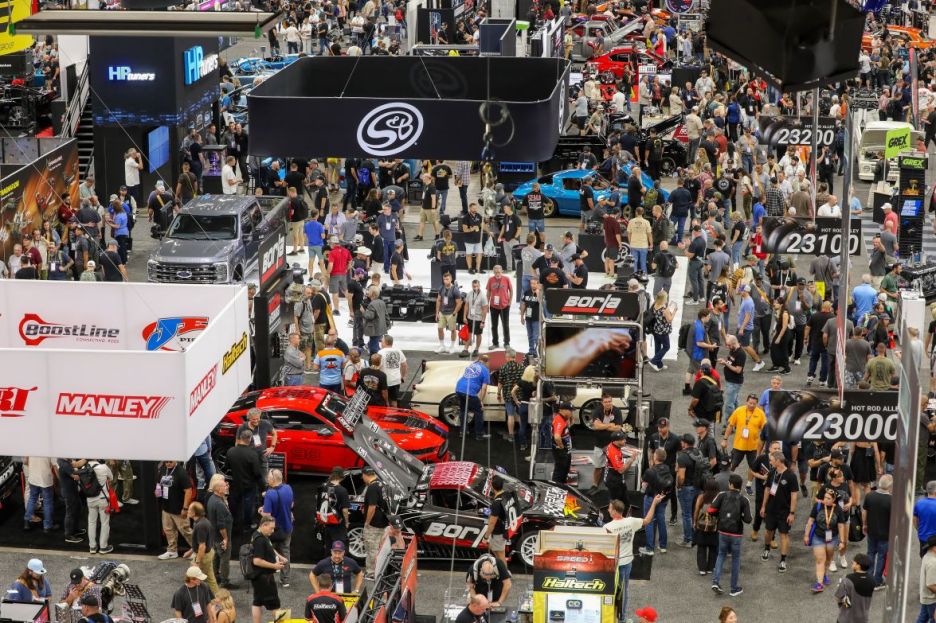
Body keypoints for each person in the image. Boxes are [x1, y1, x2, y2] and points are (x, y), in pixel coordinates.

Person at [604, 496, 664, 622]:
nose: (608, 511)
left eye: (609, 509)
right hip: (627, 563)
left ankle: (613, 618)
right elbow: (647, 520)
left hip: (614, 566)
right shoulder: (631, 521)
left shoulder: (607, 527)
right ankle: (622, 618)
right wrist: (654, 503)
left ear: (615, 511)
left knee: (611, 592)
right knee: (624, 592)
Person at [709, 474, 753, 597]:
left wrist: (720, 514)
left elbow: (711, 511)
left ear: (731, 485)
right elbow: (749, 519)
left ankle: (716, 581)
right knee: (735, 559)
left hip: (722, 531)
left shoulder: (722, 495)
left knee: (721, 555)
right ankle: (734, 588)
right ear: (740, 486)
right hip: (736, 534)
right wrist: (741, 516)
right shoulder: (744, 500)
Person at [804, 487, 849, 593]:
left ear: (834, 499)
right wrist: (806, 535)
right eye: (825, 497)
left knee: (828, 559)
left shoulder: (838, 509)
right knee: (820, 560)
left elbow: (841, 526)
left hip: (832, 538)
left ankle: (824, 574)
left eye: (829, 498)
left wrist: (842, 541)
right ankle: (819, 584)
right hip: (818, 537)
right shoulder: (818, 506)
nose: (826, 500)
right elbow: (810, 521)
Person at [761, 452, 799, 573]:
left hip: (784, 512)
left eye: (772, 460)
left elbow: (794, 496)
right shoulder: (772, 473)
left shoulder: (791, 476)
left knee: (784, 535)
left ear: (778, 461)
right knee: (768, 532)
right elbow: (767, 489)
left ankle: (783, 560)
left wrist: (792, 513)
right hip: (771, 510)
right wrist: (763, 506)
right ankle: (766, 548)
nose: (770, 462)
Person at [260, 469, 294, 589]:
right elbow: (291, 505)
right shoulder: (288, 488)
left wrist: (261, 511)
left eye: (268, 477)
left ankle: (268, 578)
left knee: (268, 552)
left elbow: (267, 515)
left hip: (273, 531)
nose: (267, 479)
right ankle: (285, 580)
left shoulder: (270, 494)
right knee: (285, 552)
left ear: (273, 480)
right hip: (287, 527)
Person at [250, 517, 286, 623]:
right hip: (264, 578)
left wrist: (280, 556)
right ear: (264, 525)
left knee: (257, 601)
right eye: (271, 528)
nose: (273, 531)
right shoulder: (260, 540)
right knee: (275, 604)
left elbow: (269, 547)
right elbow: (257, 561)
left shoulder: (259, 535)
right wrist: (274, 566)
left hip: (258, 576)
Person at [156, 460, 194, 560]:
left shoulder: (181, 472)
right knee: (168, 529)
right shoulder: (163, 469)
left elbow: (188, 491)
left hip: (178, 508)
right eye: (166, 462)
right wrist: (157, 490)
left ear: (175, 460)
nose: (168, 463)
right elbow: (158, 482)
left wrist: (185, 508)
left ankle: (198, 549)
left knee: (186, 530)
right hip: (166, 506)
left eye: (170, 462)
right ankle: (172, 551)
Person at [639, 448, 673, 556]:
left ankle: (649, 548)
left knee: (649, 521)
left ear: (655, 457)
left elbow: (644, 484)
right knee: (661, 520)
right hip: (663, 498)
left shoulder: (650, 471)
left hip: (651, 498)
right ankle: (663, 546)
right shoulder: (667, 468)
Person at [723, 394, 767, 477]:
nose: (752, 405)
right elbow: (730, 425)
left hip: (753, 447)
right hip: (739, 445)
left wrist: (764, 445)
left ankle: (749, 484)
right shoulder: (739, 411)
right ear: (746, 402)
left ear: (757, 404)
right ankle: (727, 480)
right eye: (750, 403)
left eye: (754, 404)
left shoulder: (760, 413)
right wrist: (725, 439)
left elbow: (765, 430)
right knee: (732, 464)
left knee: (754, 466)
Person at [206, 475, 235, 590]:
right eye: (224, 486)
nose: (226, 487)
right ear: (218, 489)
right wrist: (226, 539)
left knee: (216, 558)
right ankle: (224, 581)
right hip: (221, 537)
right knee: (224, 559)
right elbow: (221, 525)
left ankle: (215, 576)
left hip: (214, 536)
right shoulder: (219, 504)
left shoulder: (212, 499)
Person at [863, 474, 892, 589]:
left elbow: (864, 511)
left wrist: (865, 524)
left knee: (870, 553)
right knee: (881, 556)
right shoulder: (891, 500)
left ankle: (869, 577)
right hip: (885, 534)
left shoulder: (869, 496)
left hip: (871, 531)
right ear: (889, 486)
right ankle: (877, 581)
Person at [455, 354, 491, 441]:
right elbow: (484, 387)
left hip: (459, 388)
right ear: (487, 362)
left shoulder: (472, 365)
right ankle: (479, 434)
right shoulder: (485, 370)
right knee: (479, 411)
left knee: (463, 411)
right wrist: (481, 401)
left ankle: (463, 432)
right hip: (469, 392)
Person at [361, 467, 389, 576]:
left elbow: (372, 507)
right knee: (380, 548)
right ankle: (380, 570)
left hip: (374, 523)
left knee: (372, 548)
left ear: (365, 475)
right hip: (383, 522)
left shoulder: (372, 487)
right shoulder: (383, 485)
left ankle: (372, 572)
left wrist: (367, 522)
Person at [834, 553, 875, 623]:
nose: (852, 565)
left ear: (858, 565)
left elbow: (838, 597)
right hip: (863, 618)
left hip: (846, 618)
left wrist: (841, 604)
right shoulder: (872, 580)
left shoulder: (847, 579)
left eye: (853, 563)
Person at [483, 476, 515, 563]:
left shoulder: (496, 503)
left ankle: (505, 575)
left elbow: (492, 523)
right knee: (498, 555)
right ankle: (502, 573)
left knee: (501, 557)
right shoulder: (506, 494)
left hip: (498, 533)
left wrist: (486, 537)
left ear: (493, 487)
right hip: (504, 529)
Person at [189, 502, 219, 594]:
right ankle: (217, 602)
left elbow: (202, 546)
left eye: (190, 510)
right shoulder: (202, 521)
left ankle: (196, 601)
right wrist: (191, 550)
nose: (188, 511)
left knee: (193, 579)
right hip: (208, 553)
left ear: (194, 513)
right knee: (211, 579)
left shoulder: (200, 525)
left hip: (203, 556)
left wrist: (197, 562)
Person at [316, 468, 351, 547]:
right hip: (338, 524)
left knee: (328, 546)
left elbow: (318, 502)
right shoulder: (342, 490)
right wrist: (346, 522)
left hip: (325, 521)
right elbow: (345, 510)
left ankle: (328, 558)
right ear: (341, 477)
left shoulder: (322, 487)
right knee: (339, 547)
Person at [377, 334, 407, 406]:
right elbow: (404, 365)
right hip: (396, 380)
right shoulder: (399, 351)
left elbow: (377, 367)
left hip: (385, 381)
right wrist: (403, 376)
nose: (381, 343)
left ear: (385, 342)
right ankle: (394, 415)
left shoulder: (380, 352)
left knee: (384, 400)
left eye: (382, 341)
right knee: (394, 400)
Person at [552, 402, 574, 485]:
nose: (571, 413)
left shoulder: (564, 418)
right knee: (560, 471)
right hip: (561, 451)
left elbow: (570, 425)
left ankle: (562, 485)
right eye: (570, 411)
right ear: (562, 410)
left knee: (565, 469)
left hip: (566, 450)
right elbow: (557, 437)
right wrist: (561, 447)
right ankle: (556, 488)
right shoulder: (559, 420)